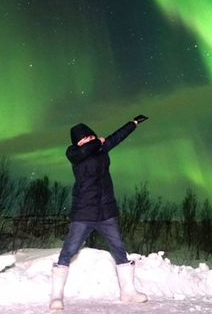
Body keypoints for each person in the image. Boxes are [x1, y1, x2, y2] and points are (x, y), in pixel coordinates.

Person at [49, 114, 149, 310]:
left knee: (120, 249)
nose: (87, 140)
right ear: (77, 143)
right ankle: (56, 296)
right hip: (84, 212)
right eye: (82, 139)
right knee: (69, 250)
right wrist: (97, 143)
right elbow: (85, 150)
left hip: (106, 211)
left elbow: (117, 137)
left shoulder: (101, 149)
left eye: (88, 136)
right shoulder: (75, 155)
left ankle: (128, 292)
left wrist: (133, 123)